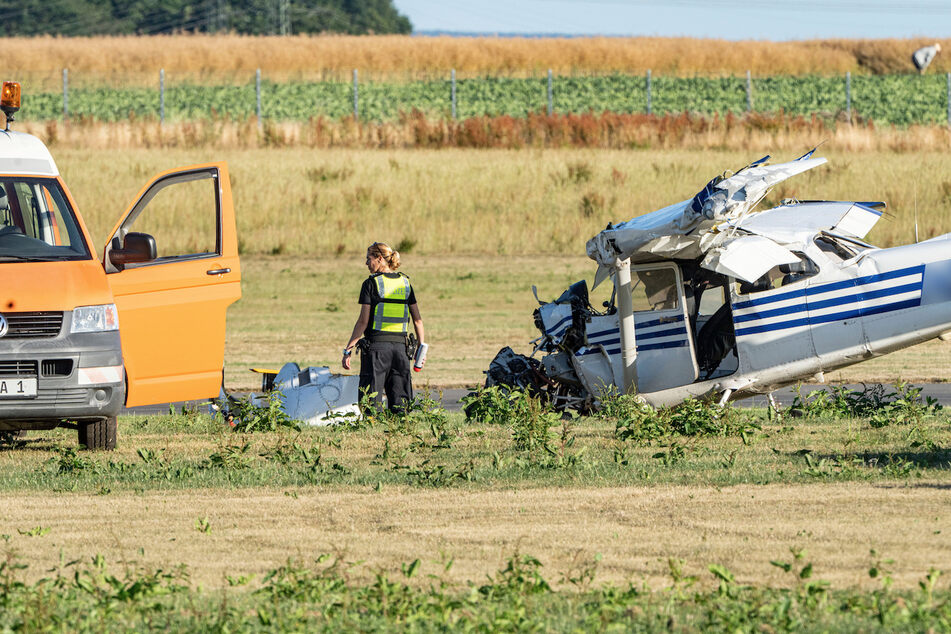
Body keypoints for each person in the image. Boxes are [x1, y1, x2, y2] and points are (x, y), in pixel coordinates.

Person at [342, 242, 425, 413]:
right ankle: (400, 433)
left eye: (368, 259)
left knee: (371, 401)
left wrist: (347, 350)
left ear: (379, 259)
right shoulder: (405, 283)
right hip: (402, 350)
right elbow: (418, 321)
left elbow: (362, 322)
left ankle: (372, 432)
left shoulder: (370, 283)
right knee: (401, 403)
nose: (366, 263)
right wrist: (420, 350)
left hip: (377, 351)